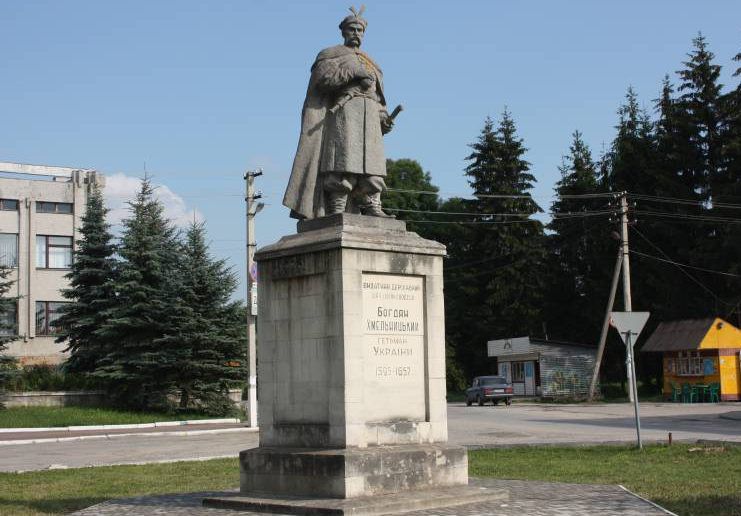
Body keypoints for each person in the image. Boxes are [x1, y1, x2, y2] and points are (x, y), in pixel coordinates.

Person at [283, 7, 394, 219]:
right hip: (343, 115)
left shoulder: (372, 63)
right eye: (352, 29)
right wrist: (352, 71)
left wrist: (383, 116)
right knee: (342, 162)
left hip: (369, 118)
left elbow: (378, 97)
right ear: (343, 32)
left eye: (360, 30)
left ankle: (373, 206)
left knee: (373, 167)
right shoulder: (330, 55)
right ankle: (336, 209)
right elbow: (322, 82)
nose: (356, 33)